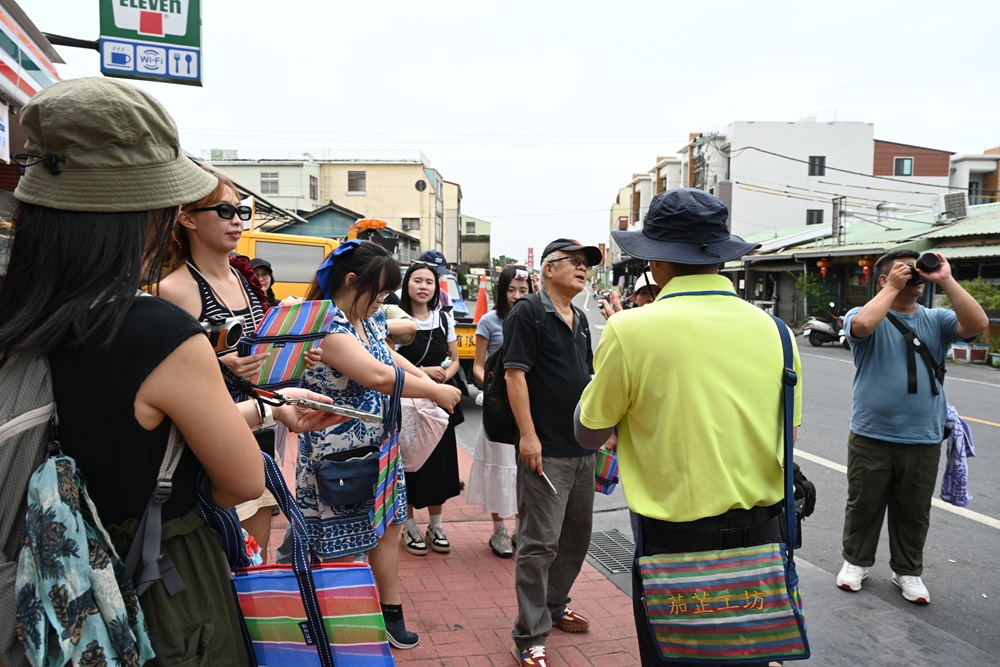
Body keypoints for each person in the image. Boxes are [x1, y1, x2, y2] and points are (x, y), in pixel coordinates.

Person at [0, 77, 345, 667]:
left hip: (31, 593)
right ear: (145, 215)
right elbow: (241, 480)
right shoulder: (153, 330)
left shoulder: (17, 312)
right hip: (152, 588)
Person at [574, 188, 803, 667]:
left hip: (674, 549)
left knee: (676, 657)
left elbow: (588, 434)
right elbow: (788, 440)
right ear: (720, 257)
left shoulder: (630, 330)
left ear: (655, 261)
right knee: (748, 658)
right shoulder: (777, 332)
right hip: (760, 547)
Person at [296, 240, 461, 649]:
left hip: (382, 449)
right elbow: (377, 376)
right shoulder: (326, 325)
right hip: (338, 456)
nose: (383, 302)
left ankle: (389, 612)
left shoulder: (365, 319)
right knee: (341, 539)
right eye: (380, 292)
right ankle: (343, 625)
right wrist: (434, 391)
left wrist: (425, 379)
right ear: (352, 280)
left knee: (389, 527)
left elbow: (389, 359)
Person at [158, 169, 323, 561]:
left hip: (260, 430)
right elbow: (168, 379)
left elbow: (258, 352)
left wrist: (296, 356)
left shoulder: (245, 278)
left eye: (241, 211)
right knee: (221, 560)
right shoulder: (174, 289)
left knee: (255, 561)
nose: (236, 220)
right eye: (224, 210)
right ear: (187, 218)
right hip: (210, 439)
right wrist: (219, 366)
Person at [836, 249, 987, 604]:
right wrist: (892, 289)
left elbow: (977, 324)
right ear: (883, 279)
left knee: (914, 510)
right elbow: (862, 327)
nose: (913, 275)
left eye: (915, 270)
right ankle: (856, 562)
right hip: (871, 433)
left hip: (923, 435)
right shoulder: (862, 314)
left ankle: (907, 570)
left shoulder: (937, 319)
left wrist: (946, 279)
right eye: (903, 270)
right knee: (863, 503)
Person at [504, 238, 601, 667]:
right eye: (574, 262)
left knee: (576, 537)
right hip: (545, 451)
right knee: (540, 542)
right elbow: (515, 375)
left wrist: (604, 431)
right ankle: (528, 635)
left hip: (582, 448)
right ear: (548, 268)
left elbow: (588, 378)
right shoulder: (528, 312)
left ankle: (555, 605)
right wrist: (528, 436)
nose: (582, 269)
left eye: (586, 265)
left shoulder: (580, 318)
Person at [395, 262, 463, 556]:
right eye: (417, 281)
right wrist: (425, 375)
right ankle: (409, 526)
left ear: (436, 288)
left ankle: (436, 525)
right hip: (409, 405)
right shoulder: (397, 320)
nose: (423, 287)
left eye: (429, 282)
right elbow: (389, 363)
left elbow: (455, 360)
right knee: (410, 465)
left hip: (440, 405)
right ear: (406, 284)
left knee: (440, 465)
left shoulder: (444, 319)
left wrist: (444, 378)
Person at [467, 265, 532, 558]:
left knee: (524, 471)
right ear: (501, 291)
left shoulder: (536, 320)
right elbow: (478, 367)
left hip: (528, 408)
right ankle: (498, 531)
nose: (517, 295)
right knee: (498, 470)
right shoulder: (489, 322)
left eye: (523, 290)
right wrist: (493, 389)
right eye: (511, 289)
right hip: (499, 410)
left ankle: (521, 529)